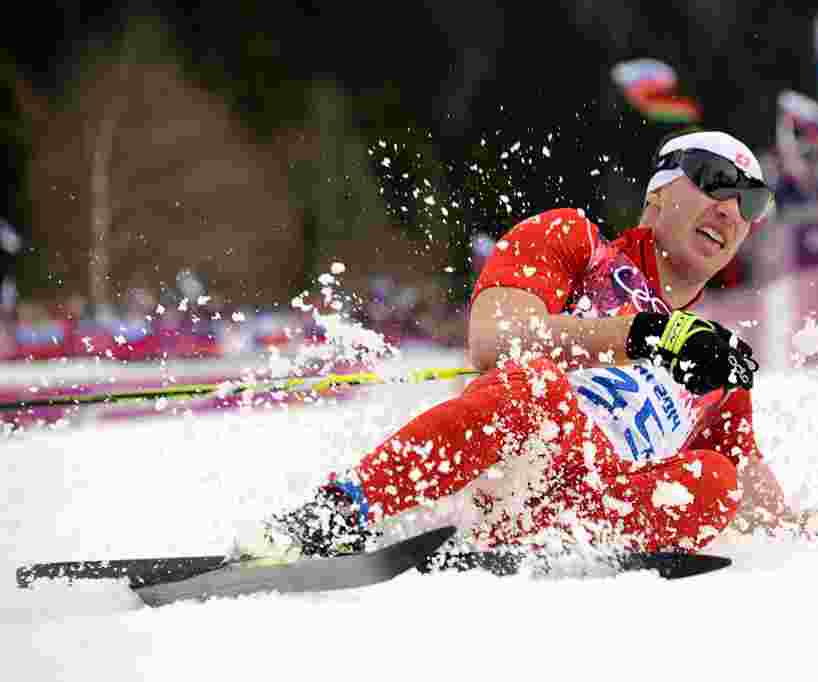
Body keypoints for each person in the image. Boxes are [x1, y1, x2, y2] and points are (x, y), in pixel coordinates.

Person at [250, 130, 787, 559]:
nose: (731, 208)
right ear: (658, 190)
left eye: (752, 200)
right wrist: (645, 335)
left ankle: (554, 545)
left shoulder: (714, 357)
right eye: (716, 180)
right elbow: (494, 339)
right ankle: (339, 513)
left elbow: (757, 502)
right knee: (538, 386)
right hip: (507, 466)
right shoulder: (575, 242)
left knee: (715, 477)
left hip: (591, 510)